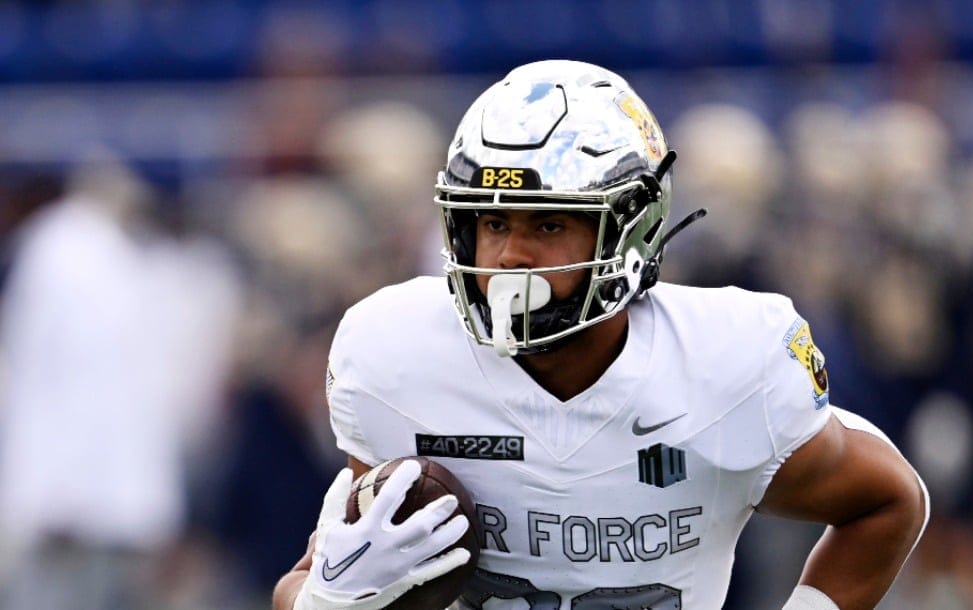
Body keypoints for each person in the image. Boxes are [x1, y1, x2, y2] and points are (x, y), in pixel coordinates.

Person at [272, 60, 929, 610]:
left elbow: (887, 502)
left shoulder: (728, 363)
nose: (508, 259)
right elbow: (307, 582)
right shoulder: (397, 354)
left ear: (630, 230)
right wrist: (333, 601)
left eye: (548, 226)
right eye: (493, 224)